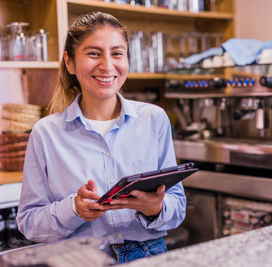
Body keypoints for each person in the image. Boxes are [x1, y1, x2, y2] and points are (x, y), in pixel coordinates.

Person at [16, 11, 186, 263]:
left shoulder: (154, 119)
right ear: (70, 62)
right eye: (94, 53)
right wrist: (73, 208)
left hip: (148, 257)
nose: (107, 65)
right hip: (78, 259)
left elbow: (178, 207)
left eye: (117, 53)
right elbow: (29, 224)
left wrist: (156, 208)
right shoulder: (45, 133)